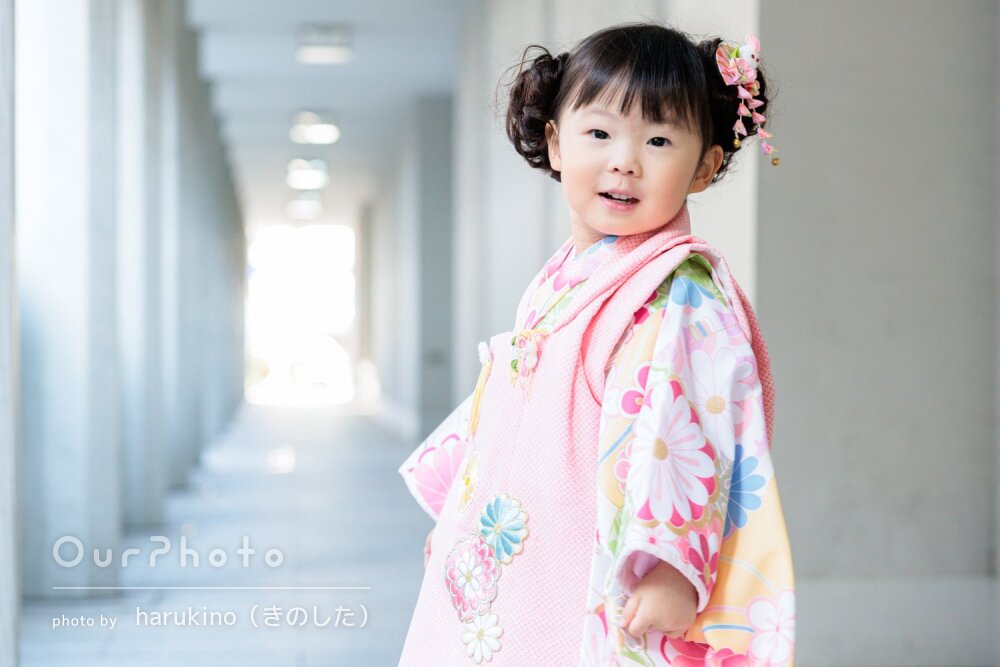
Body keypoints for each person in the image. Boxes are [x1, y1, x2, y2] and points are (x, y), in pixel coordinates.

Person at [397, 22, 795, 666]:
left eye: (659, 140)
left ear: (704, 167)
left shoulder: (680, 289)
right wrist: (459, 516)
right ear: (556, 144)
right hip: (533, 537)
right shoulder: (562, 277)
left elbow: (690, 421)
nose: (624, 161)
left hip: (597, 552)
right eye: (600, 133)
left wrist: (671, 564)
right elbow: (511, 405)